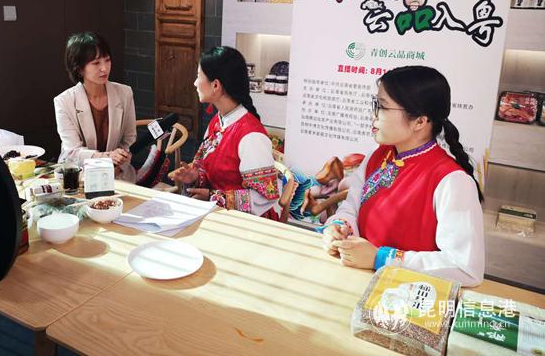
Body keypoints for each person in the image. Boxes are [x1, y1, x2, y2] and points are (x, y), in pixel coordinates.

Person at [320, 65, 485, 286]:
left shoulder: (452, 181)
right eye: (375, 104)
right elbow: (351, 208)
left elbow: (466, 268)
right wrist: (340, 228)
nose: (373, 115)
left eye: (382, 106)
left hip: (407, 295)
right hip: (356, 280)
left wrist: (381, 258)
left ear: (420, 121)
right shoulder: (378, 156)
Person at [169, 46, 280, 219]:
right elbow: (208, 170)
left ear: (215, 85)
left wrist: (213, 197)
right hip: (219, 214)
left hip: (246, 223)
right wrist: (195, 176)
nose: (195, 83)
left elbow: (264, 197)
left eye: (198, 76)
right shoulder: (218, 120)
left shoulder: (251, 136)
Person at [54, 32, 136, 182]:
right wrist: (107, 157)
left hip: (118, 174)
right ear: (79, 68)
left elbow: (129, 139)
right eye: (96, 63)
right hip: (79, 176)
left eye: (107, 60)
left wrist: (117, 165)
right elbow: (72, 152)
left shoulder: (125, 93)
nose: (104, 68)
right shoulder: (64, 102)